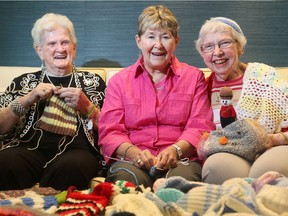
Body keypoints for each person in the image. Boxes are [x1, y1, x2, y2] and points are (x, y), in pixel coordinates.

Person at [98, 5, 215, 188]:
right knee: (129, 183)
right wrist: (133, 152)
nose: (158, 45)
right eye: (151, 36)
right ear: (139, 41)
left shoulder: (194, 77)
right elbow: (110, 131)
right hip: (132, 161)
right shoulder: (119, 81)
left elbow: (200, 126)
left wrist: (175, 150)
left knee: (178, 185)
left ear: (175, 41)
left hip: (180, 160)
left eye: (165, 37)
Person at [0, 13, 106, 190]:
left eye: (65, 42)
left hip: (77, 152)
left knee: (74, 166)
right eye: (51, 44)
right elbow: (2, 127)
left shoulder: (93, 83)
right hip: (28, 150)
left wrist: (87, 107)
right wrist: (27, 99)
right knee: (5, 161)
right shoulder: (24, 82)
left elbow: (111, 128)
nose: (60, 49)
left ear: (74, 48)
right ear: (39, 50)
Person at [195, 17, 288, 184]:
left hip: (271, 149)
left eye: (224, 43)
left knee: (267, 170)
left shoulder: (265, 77)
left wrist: (274, 139)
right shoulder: (201, 89)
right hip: (229, 154)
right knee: (217, 168)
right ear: (202, 54)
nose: (217, 52)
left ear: (240, 47)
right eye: (208, 47)